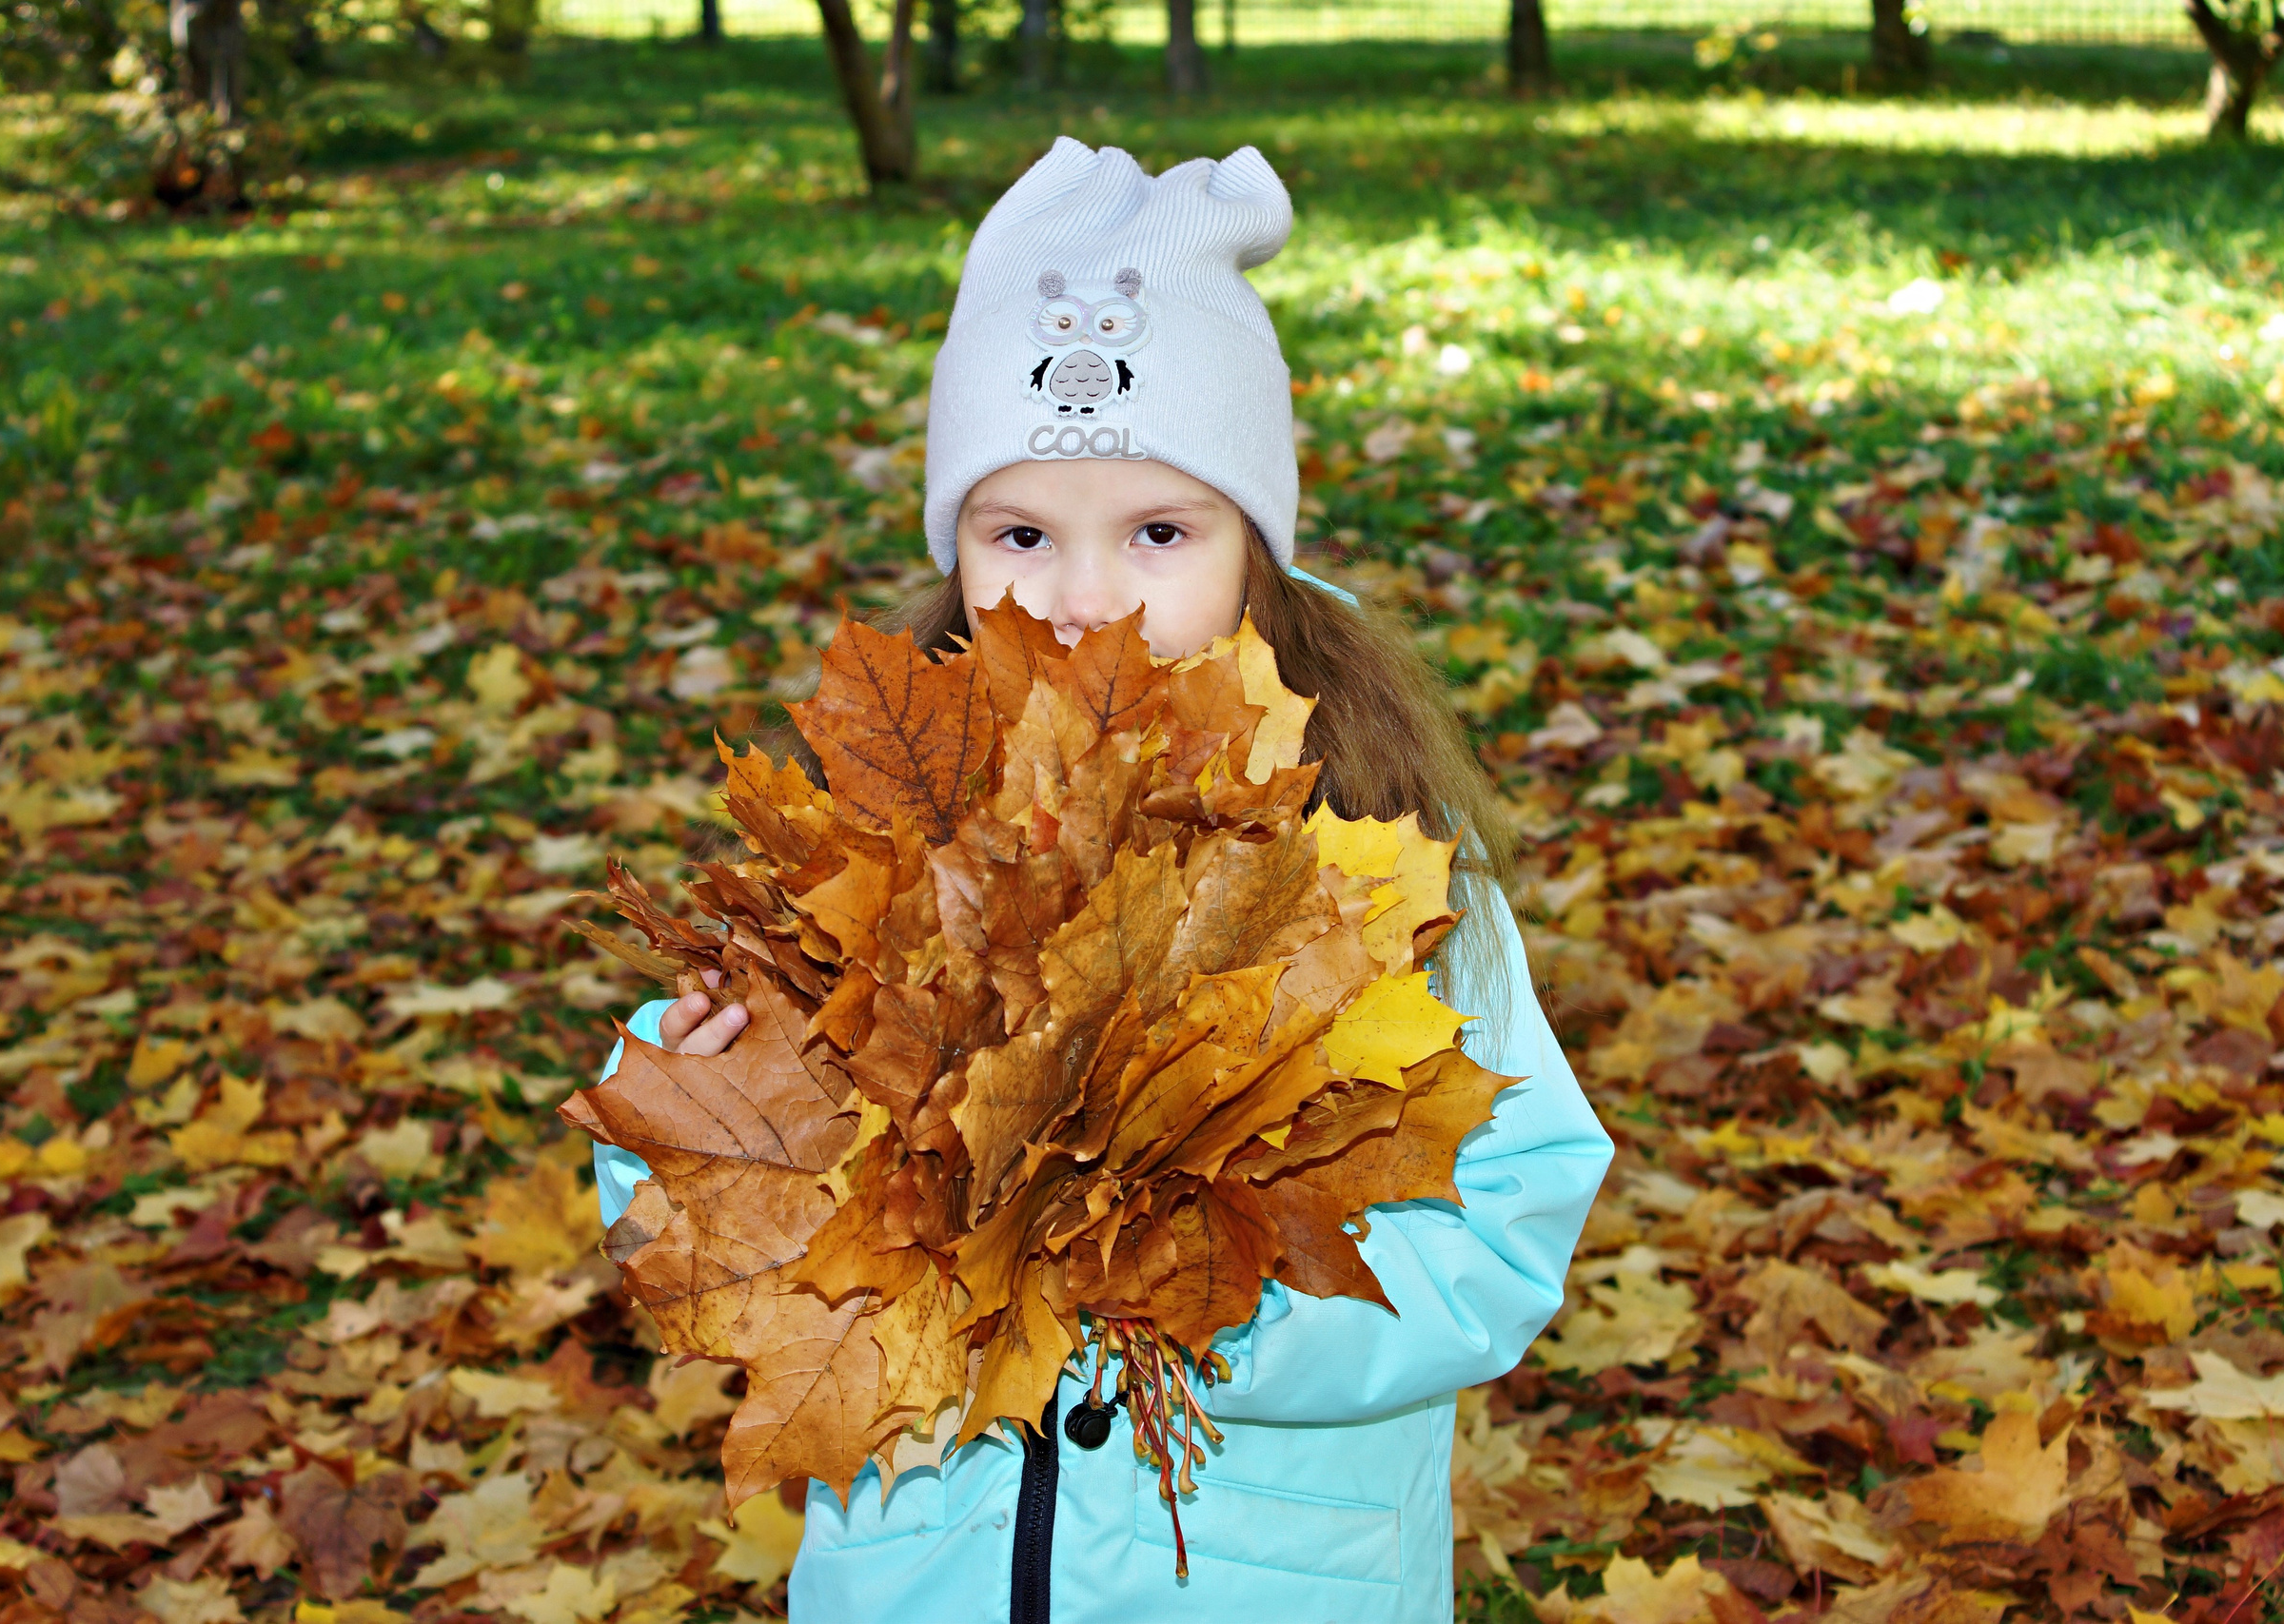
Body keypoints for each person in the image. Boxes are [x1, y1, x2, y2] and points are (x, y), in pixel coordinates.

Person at [585, 137, 1614, 1624]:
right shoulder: (883, 840)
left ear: (1257, 557)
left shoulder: (1385, 870)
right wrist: (691, 1107)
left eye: (1159, 532)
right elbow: (698, 1209)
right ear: (957, 556)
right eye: (1020, 534)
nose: (1084, 595)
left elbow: (1502, 1227)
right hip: (923, 1582)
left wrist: (1217, 1308)